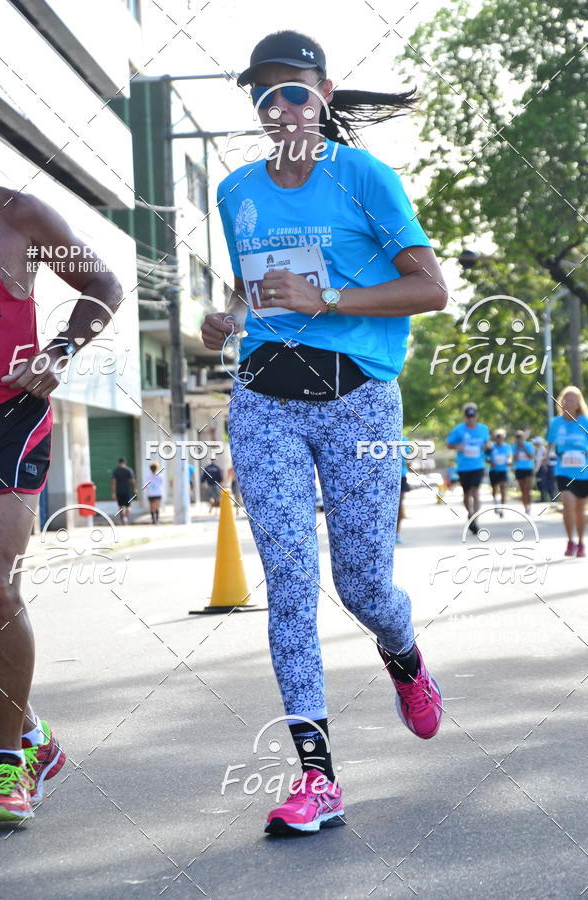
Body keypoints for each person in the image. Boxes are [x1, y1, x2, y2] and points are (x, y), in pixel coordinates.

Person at [202, 30, 447, 836]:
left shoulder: (366, 179)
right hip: (264, 400)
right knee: (291, 586)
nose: (279, 107)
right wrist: (227, 316)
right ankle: (318, 778)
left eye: (294, 91)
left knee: (363, 584)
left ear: (325, 93)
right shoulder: (235, 188)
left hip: (357, 404)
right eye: (264, 95)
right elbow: (250, 287)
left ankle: (402, 651)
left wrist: (327, 302)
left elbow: (430, 289)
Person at [0, 184, 123, 821]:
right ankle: (36, 735)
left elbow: (103, 286)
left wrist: (60, 350)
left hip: (8, 414)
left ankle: (8, 760)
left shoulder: (16, 215)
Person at [547, 385, 588, 557]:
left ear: (578, 403)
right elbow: (550, 444)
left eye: (572, 399)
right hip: (563, 469)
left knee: (580, 509)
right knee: (568, 504)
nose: (568, 402)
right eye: (565, 399)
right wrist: (545, 456)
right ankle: (570, 541)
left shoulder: (585, 421)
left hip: (583, 471)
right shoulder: (556, 423)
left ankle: (580, 542)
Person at [446, 403, 490, 534]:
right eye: (468, 416)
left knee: (475, 492)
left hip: (478, 465)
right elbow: (448, 444)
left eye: (473, 416)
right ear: (465, 416)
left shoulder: (483, 429)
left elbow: (487, 442)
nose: (471, 419)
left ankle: (474, 519)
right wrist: (457, 446)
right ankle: (470, 513)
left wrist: (488, 445)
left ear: (476, 416)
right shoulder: (458, 430)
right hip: (464, 467)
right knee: (466, 494)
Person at [488, 429, 511, 516]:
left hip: (503, 470)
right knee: (494, 489)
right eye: (497, 437)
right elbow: (486, 457)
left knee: (503, 488)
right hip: (493, 471)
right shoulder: (491, 447)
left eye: (501, 437)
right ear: (495, 438)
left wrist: (509, 461)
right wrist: (491, 462)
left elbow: (509, 456)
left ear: (503, 438)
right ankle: (496, 504)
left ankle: (502, 508)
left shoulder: (507, 447)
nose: (499, 439)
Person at [512, 430, 534, 514]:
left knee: (527, 488)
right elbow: (514, 459)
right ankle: (525, 506)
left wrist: (524, 449)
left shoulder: (528, 445)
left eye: (520, 437)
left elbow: (531, 456)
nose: (519, 439)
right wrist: (518, 450)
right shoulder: (514, 447)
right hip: (519, 469)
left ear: (523, 438)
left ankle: (529, 505)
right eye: (517, 438)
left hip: (528, 469)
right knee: (523, 490)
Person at [110, 457, 136, 525]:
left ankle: (122, 518)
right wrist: (134, 489)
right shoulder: (129, 470)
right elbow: (132, 481)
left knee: (120, 506)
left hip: (119, 491)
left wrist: (113, 493)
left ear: (119, 463)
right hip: (127, 491)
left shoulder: (115, 471)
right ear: (125, 462)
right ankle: (125, 517)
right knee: (128, 507)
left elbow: (113, 482)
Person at [396, 437, 411, 542]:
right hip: (387, 477)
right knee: (398, 505)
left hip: (401, 476)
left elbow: (409, 458)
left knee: (399, 505)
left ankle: (396, 533)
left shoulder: (404, 440)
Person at [532, 436, 549, 502]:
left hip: (541, 468)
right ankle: (542, 497)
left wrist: (542, 464)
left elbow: (544, 458)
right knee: (539, 483)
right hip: (537, 468)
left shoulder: (542, 449)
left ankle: (544, 498)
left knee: (542, 483)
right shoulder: (536, 449)